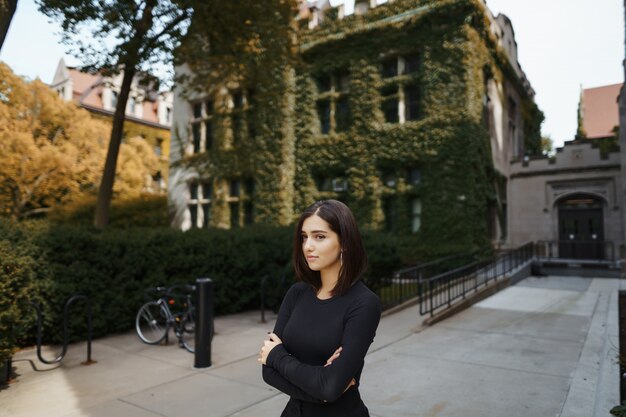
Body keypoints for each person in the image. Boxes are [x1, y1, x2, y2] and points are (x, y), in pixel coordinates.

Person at [258, 199, 381, 417]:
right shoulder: (297, 293)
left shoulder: (364, 303)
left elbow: (329, 385)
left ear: (344, 241)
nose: (307, 246)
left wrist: (277, 355)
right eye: (304, 237)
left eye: (319, 237)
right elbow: (268, 372)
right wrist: (321, 391)